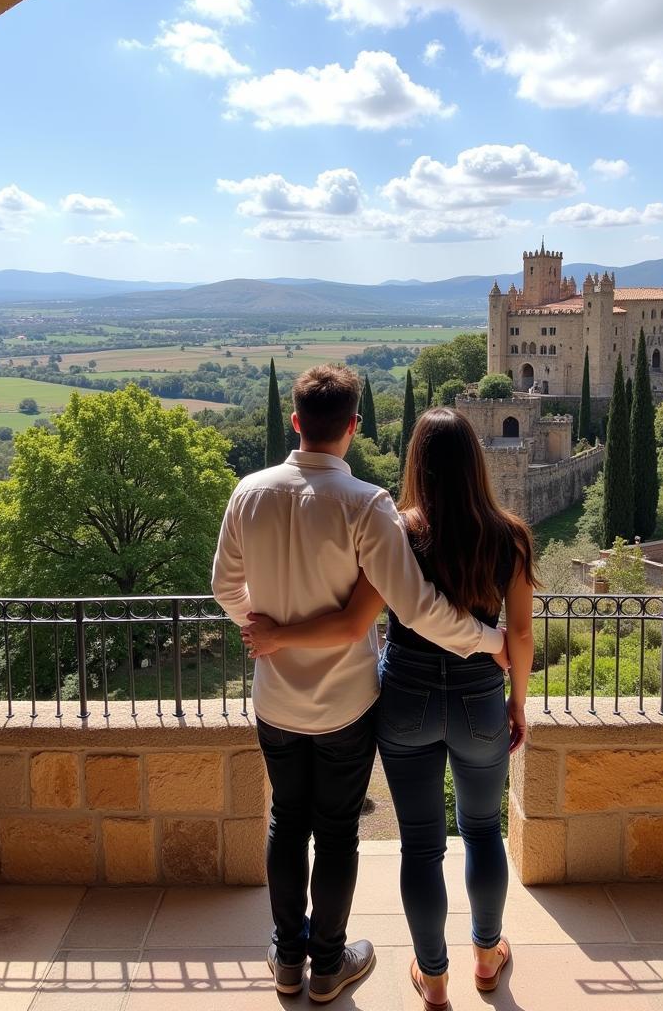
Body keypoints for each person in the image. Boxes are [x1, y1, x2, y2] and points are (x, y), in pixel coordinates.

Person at [212, 366, 508, 1005]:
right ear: (353, 426)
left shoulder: (249, 493)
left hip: (274, 699)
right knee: (338, 829)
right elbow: (419, 607)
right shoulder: (366, 505)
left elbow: (223, 588)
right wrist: (491, 642)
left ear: (296, 421)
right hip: (347, 704)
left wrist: (258, 628)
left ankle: (287, 959)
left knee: (286, 824)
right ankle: (328, 965)